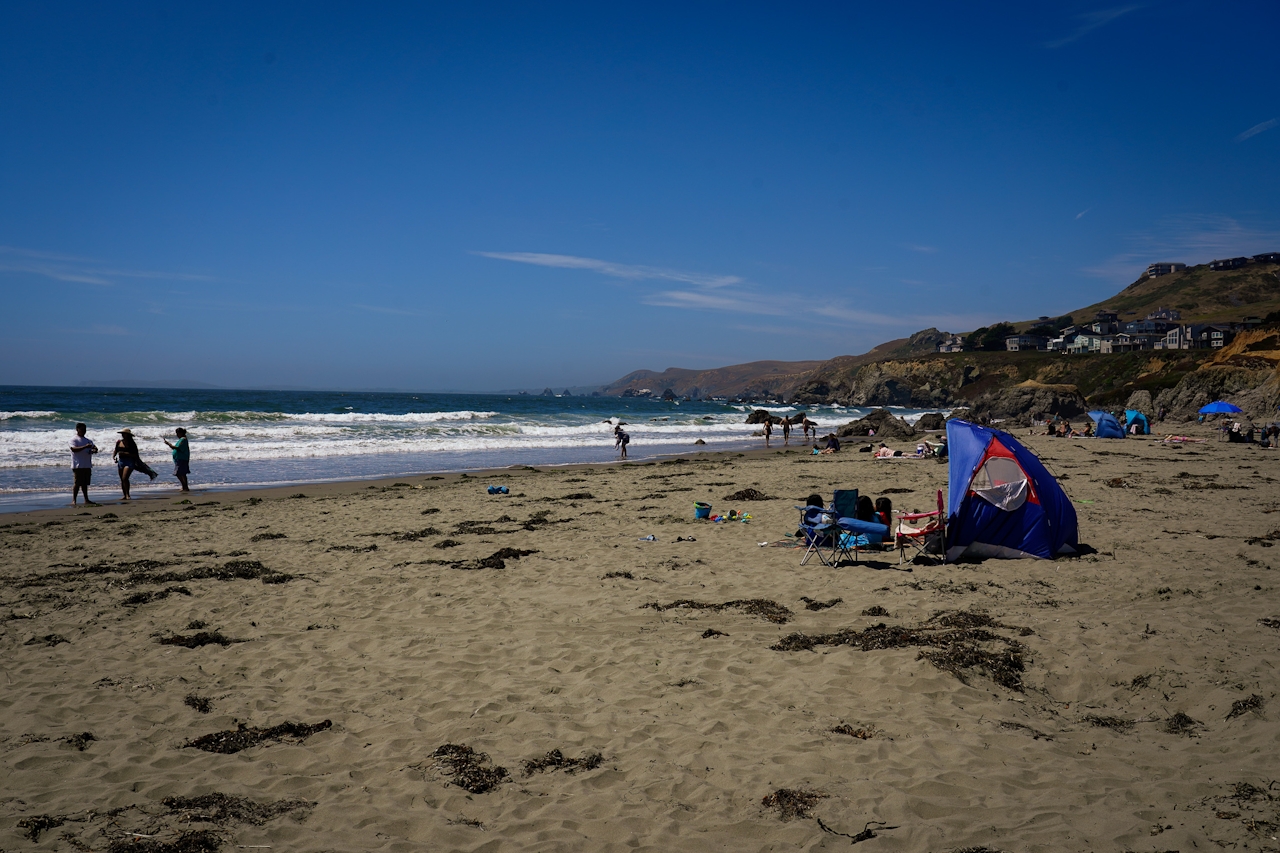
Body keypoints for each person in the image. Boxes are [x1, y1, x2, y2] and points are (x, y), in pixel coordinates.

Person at [113, 428, 155, 500]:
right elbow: (115, 450)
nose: (123, 435)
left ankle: (127, 495)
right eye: (122, 434)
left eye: (124, 434)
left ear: (128, 435)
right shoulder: (119, 442)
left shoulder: (132, 443)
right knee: (122, 479)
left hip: (129, 461)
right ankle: (124, 495)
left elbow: (135, 455)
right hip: (121, 461)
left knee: (125, 478)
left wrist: (125, 453)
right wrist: (114, 457)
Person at [70, 422, 99, 506]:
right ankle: (74, 500)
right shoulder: (74, 439)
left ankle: (86, 499)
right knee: (77, 483)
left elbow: (95, 447)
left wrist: (94, 450)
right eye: (82, 429)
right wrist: (85, 447)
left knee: (85, 483)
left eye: (85, 429)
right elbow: (73, 449)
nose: (83, 431)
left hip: (87, 464)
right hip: (78, 465)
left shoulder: (88, 440)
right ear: (77, 429)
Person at [163, 427, 191, 492]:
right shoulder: (182, 439)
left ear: (181, 433)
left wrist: (168, 444)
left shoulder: (183, 439)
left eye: (177, 433)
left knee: (178, 473)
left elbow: (177, 448)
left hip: (182, 458)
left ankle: (185, 487)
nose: (177, 435)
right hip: (181, 458)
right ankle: (185, 487)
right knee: (182, 473)